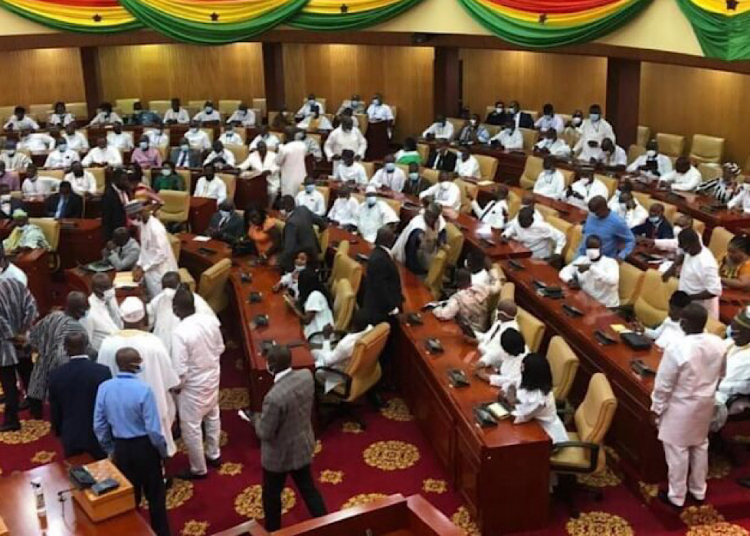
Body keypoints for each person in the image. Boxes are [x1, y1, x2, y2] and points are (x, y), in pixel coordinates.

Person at [651, 304, 725, 509]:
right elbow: (722, 374)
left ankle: (677, 496)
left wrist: (656, 408)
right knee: (700, 446)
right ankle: (698, 490)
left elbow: (664, 384)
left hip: (680, 407)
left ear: (683, 323)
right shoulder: (718, 344)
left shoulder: (677, 347)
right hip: (705, 404)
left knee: (678, 451)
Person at [248, 345, 327, 531]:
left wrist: (255, 419)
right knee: (308, 488)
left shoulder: (274, 397)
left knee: (271, 496)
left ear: (271, 366)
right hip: (302, 445)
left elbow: (265, 432)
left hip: (279, 456)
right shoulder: (306, 376)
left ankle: (273, 531)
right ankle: (327, 525)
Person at [94, 347, 171, 536]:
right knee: (156, 497)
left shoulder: (104, 388)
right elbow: (153, 430)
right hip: (145, 448)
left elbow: (99, 425)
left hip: (121, 448)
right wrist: (163, 451)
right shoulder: (144, 390)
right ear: (134, 365)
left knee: (129, 498)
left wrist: (110, 448)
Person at [98, 297, 180, 458]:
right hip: (153, 405)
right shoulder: (153, 342)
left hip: (120, 411)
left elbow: (102, 378)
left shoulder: (107, 343)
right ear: (144, 317)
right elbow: (169, 379)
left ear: (122, 317)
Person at [171, 287, 225, 479]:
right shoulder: (210, 321)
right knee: (212, 415)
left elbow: (180, 370)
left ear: (175, 309)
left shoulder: (180, 332)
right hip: (213, 377)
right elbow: (220, 348)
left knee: (191, 428)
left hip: (192, 387)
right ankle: (214, 454)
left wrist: (176, 388)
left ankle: (198, 469)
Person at [27, 292, 90, 417]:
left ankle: (36, 413)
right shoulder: (75, 327)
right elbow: (63, 356)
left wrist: (42, 349)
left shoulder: (53, 316)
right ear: (80, 311)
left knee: (37, 391)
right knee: (58, 402)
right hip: (59, 369)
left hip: (42, 362)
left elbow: (33, 336)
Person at [49, 332, 111, 458]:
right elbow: (108, 404)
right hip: (98, 431)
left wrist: (58, 430)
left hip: (71, 432)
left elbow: (55, 407)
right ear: (87, 346)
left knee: (76, 466)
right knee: (104, 467)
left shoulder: (56, 374)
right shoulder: (102, 371)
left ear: (65, 348)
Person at [0, 279, 37, 431]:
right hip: (23, 341)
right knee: (29, 375)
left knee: (9, 383)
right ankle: (36, 408)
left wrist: (13, 336)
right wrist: (23, 331)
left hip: (4, 345)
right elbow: (31, 306)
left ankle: (12, 420)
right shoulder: (15, 283)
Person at [148, 272, 216, 352]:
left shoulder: (194, 300)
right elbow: (149, 315)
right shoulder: (160, 298)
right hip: (163, 342)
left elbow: (211, 324)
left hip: (187, 343)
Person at [662, 228, 721, 319]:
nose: (682, 249)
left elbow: (714, 291)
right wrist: (671, 269)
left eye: (684, 248)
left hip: (699, 309)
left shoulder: (707, 264)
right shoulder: (690, 248)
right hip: (685, 304)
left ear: (692, 244)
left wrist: (689, 298)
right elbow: (682, 254)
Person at [510, 352, 569, 443]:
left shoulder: (540, 399)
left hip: (547, 436)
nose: (521, 370)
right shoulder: (531, 383)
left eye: (523, 368)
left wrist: (508, 402)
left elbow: (520, 417)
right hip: (532, 425)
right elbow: (511, 385)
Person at [711, 307, 750, 432]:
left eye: (739, 330)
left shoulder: (747, 358)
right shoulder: (731, 342)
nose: (733, 333)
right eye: (733, 327)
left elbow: (729, 386)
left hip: (722, 399)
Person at [357, 228, 403, 326]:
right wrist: (393, 309)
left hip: (377, 307)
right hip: (379, 313)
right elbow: (381, 288)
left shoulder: (378, 254)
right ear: (389, 240)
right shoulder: (380, 259)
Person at [132, 202, 178, 298]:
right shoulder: (143, 224)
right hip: (150, 270)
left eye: (134, 217)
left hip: (161, 272)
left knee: (161, 299)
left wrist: (144, 269)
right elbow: (145, 248)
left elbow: (162, 254)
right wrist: (139, 264)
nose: (134, 221)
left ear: (139, 213)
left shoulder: (156, 229)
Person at [560, 235, 620, 307]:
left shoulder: (610, 263)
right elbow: (564, 271)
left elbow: (612, 281)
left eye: (595, 247)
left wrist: (591, 268)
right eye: (589, 247)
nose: (592, 250)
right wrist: (570, 280)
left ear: (601, 248)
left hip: (605, 305)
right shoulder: (582, 260)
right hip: (586, 301)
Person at [392, 203, 447, 276]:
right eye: (427, 214)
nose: (428, 217)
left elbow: (443, 241)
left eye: (431, 216)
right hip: (411, 264)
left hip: (428, 262)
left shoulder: (440, 224)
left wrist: (436, 236)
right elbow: (418, 246)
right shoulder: (418, 226)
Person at [278, 195, 326, 272]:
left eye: (281, 208)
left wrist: (279, 261)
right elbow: (320, 221)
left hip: (302, 259)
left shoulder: (291, 224)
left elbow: (289, 249)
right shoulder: (303, 209)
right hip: (314, 251)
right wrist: (321, 230)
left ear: (285, 209)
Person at [474, 328, 528, 393]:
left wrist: (486, 377)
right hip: (499, 381)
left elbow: (510, 381)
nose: (503, 350)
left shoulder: (523, 362)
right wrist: (482, 362)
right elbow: (495, 354)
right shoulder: (510, 348)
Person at [292, 268, 335, 340]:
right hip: (315, 333)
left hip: (318, 337)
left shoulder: (315, 296)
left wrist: (293, 308)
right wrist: (295, 302)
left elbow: (307, 320)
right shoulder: (314, 291)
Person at [85, 273, 123, 350]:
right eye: (107, 287)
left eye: (111, 286)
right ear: (97, 290)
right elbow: (87, 340)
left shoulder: (110, 298)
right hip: (102, 351)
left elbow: (117, 317)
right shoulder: (89, 310)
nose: (111, 290)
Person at [239, 141, 279, 205]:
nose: (262, 149)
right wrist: (239, 168)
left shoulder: (273, 155)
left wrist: (270, 171)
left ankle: (269, 207)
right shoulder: (253, 155)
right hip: (257, 181)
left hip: (271, 181)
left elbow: (277, 166)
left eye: (264, 147)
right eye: (260, 148)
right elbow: (245, 164)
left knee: (273, 192)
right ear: (257, 149)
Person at [276, 127, 308, 197]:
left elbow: (278, 162)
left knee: (288, 198)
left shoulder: (284, 148)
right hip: (301, 176)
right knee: (300, 197)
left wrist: (280, 147)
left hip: (288, 178)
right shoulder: (302, 145)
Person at [101, 170, 129, 241]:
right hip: (115, 233)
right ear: (115, 180)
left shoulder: (125, 190)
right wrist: (109, 239)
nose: (126, 182)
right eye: (123, 180)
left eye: (126, 180)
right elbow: (106, 219)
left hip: (126, 228)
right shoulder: (108, 195)